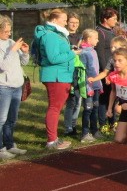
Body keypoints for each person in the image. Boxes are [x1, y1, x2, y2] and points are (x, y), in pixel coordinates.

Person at [34, 9, 76, 150]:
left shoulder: (57, 34)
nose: (66, 22)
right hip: (55, 76)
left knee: (56, 108)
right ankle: (51, 140)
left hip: (61, 75)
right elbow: (53, 58)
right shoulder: (51, 36)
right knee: (54, 108)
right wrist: (72, 54)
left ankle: (54, 138)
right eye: (64, 19)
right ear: (55, 20)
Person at [0, 15, 30, 159]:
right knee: (1, 119)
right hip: (3, 87)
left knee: (12, 118)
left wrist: (25, 52)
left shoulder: (11, 42)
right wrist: (12, 51)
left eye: (10, 31)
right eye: (6, 31)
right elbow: (3, 66)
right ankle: (1, 149)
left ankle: (10, 144)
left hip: (17, 85)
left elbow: (23, 63)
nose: (9, 34)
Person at [78, 29, 103, 143]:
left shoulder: (94, 51)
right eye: (96, 38)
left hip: (96, 85)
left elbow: (96, 70)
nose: (98, 40)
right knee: (88, 109)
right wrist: (87, 87)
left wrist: (99, 84)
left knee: (95, 107)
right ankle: (84, 133)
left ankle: (95, 130)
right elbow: (83, 71)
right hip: (88, 87)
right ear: (89, 39)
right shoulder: (84, 53)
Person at [95, 8, 118, 133]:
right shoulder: (100, 32)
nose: (116, 21)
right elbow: (100, 54)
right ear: (105, 19)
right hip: (105, 71)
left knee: (113, 98)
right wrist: (106, 73)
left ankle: (113, 122)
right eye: (113, 18)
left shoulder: (112, 31)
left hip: (114, 70)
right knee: (104, 99)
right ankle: (103, 124)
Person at [62, 12, 83, 136]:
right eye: (72, 22)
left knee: (78, 100)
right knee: (71, 101)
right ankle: (68, 127)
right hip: (68, 71)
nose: (74, 25)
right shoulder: (63, 37)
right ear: (67, 23)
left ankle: (74, 125)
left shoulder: (80, 37)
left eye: (76, 22)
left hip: (79, 71)